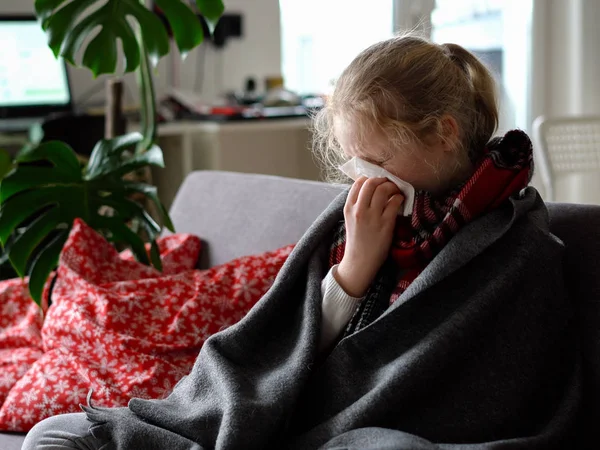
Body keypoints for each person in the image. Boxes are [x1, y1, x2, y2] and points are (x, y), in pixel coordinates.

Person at [23, 34, 580, 450]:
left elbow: (492, 393)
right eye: (355, 160)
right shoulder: (359, 212)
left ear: (444, 134)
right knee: (57, 434)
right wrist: (352, 273)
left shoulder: (518, 245)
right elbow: (276, 343)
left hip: (386, 433)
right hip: (289, 412)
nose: (365, 178)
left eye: (379, 158)